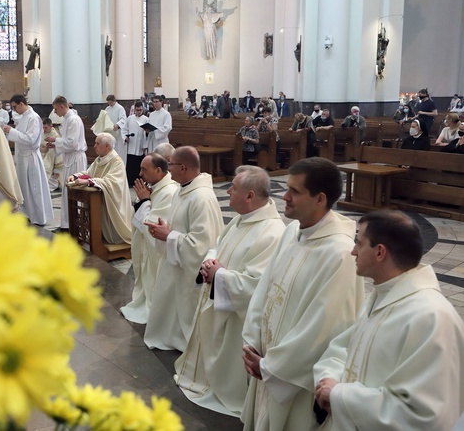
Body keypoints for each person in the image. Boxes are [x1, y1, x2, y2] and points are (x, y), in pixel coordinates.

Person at [241, 157, 364, 431]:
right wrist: (252, 340)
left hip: (293, 380)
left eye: (294, 191)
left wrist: (271, 367)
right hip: (264, 360)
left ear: (320, 199)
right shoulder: (293, 231)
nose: (284, 196)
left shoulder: (340, 254)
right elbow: (265, 288)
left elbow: (322, 330)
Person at [314, 210, 464, 430]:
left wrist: (340, 395)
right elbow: (345, 349)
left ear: (380, 252)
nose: (353, 251)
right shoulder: (382, 295)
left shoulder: (431, 317)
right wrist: (328, 379)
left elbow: (423, 415)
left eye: (359, 243)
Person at [175, 166, 285, 417]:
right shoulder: (240, 219)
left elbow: (258, 285)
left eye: (233, 188)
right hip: (218, 299)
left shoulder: (272, 233)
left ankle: (224, 386)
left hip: (237, 321)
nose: (228, 191)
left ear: (250, 196)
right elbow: (217, 245)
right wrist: (209, 262)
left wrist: (220, 276)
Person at [143, 146, 224, 351]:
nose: (168, 169)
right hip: (175, 261)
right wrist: (165, 230)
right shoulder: (183, 190)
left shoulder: (201, 197)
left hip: (189, 269)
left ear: (184, 167)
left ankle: (185, 340)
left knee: (185, 312)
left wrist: (169, 235)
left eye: (171, 164)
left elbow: (202, 245)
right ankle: (171, 335)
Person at [120, 153, 179, 324]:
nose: (140, 174)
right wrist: (144, 200)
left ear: (159, 170)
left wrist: (145, 201)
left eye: (144, 170)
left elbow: (153, 227)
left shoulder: (168, 192)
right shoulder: (157, 187)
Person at [67, 133, 132, 244]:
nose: (95, 146)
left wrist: (89, 182)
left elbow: (112, 182)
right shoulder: (99, 159)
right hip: (99, 200)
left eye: (98, 143)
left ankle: (104, 241)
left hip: (113, 204)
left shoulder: (116, 162)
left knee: (113, 235)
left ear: (107, 146)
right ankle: (96, 238)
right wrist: (76, 176)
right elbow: (88, 173)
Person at [4, 95, 53, 226]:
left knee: (34, 188)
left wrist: (12, 131)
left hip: (30, 159)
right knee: (24, 189)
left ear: (21, 104)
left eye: (15, 107)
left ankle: (38, 217)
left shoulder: (33, 118)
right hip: (22, 158)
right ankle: (28, 214)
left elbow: (30, 139)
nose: (14, 110)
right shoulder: (24, 117)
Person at [46, 95, 87, 232]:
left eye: (56, 109)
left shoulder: (73, 120)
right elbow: (68, 142)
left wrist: (56, 141)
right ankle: (67, 224)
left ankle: (74, 225)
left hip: (75, 158)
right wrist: (56, 145)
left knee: (74, 191)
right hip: (71, 157)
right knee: (67, 192)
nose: (55, 113)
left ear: (62, 107)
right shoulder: (68, 119)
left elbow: (72, 143)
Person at [121, 102, 149, 187]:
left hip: (140, 145)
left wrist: (145, 145)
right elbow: (124, 130)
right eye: (137, 110)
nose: (139, 111)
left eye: (140, 110)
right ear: (134, 110)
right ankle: (129, 182)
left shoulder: (146, 119)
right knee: (130, 165)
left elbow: (147, 133)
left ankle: (138, 183)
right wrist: (126, 137)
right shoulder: (130, 118)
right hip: (131, 145)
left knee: (138, 165)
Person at [41, 118, 63, 191]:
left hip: (52, 161)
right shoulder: (41, 134)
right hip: (42, 156)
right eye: (43, 127)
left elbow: (59, 152)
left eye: (46, 127)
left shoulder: (55, 136)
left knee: (45, 169)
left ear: (51, 126)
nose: (44, 129)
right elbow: (38, 147)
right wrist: (44, 149)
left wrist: (57, 170)